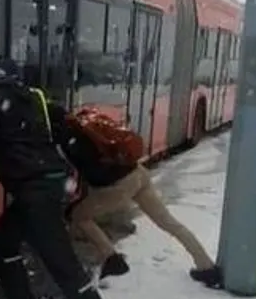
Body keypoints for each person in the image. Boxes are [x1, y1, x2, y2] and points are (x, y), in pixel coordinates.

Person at [0, 61, 131, 299]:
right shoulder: (35, 97)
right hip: (50, 185)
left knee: (66, 270)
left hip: (35, 194)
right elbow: (58, 129)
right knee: (2, 239)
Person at [56, 107, 225, 288]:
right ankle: (206, 267)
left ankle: (111, 258)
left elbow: (86, 172)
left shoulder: (67, 139)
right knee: (168, 222)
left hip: (120, 185)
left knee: (79, 216)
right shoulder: (85, 123)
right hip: (138, 173)